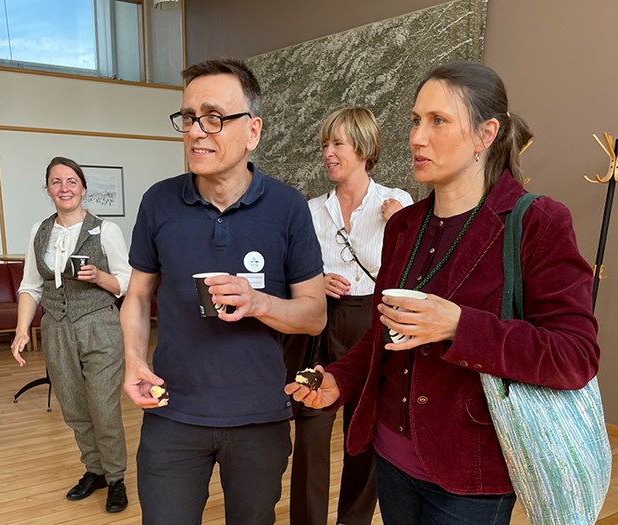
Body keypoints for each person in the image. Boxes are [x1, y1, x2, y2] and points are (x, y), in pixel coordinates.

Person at [286, 61, 600, 525]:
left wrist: (459, 326)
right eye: (415, 120)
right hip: (391, 459)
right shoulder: (404, 227)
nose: (417, 137)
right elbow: (381, 335)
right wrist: (340, 379)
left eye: (438, 121)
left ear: (485, 133)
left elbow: (574, 355)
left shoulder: (536, 222)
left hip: (471, 475)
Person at [120, 57, 327, 525]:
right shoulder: (159, 201)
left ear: (252, 131)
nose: (196, 132)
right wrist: (135, 360)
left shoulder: (288, 207)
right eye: (188, 118)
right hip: (172, 410)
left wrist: (257, 303)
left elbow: (314, 314)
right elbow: (136, 296)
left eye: (214, 118)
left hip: (259, 416)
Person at [285, 106, 412, 525]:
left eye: (337, 143)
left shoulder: (398, 204)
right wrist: (316, 281)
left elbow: (412, 275)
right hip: (319, 325)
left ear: (363, 146)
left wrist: (401, 227)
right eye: (325, 144)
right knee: (311, 431)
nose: (328, 153)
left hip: (373, 325)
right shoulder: (308, 209)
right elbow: (291, 271)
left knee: (363, 437)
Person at [11, 156, 131, 513]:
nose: (64, 188)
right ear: (47, 190)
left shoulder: (105, 230)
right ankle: (93, 469)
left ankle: (115, 478)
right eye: (56, 182)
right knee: (75, 409)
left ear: (83, 188)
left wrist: (100, 278)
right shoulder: (39, 231)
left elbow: (126, 284)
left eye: (71, 181)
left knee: (103, 407)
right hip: (57, 328)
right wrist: (21, 331)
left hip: (99, 326)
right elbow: (30, 286)